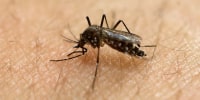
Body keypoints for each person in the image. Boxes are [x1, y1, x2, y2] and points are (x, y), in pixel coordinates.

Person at [0, 0, 199, 99]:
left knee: (109, 31)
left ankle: (134, 50)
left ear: (83, 40)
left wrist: (95, 62)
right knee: (108, 28)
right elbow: (92, 40)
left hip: (114, 39)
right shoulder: (88, 35)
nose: (82, 46)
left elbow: (97, 41)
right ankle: (134, 46)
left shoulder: (91, 36)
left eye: (81, 44)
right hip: (110, 36)